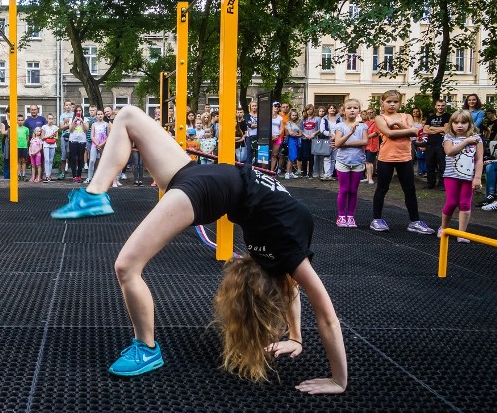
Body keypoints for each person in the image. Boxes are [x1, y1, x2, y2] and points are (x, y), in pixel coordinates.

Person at [50, 106, 347, 394]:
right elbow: (319, 310)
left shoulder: (286, 250)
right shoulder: (286, 252)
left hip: (212, 186)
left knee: (127, 266)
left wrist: (309, 350)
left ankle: (147, 348)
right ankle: (95, 194)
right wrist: (317, 358)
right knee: (127, 117)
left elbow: (300, 294)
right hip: (202, 179)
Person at [370, 90, 434, 234]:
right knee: (382, 188)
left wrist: (398, 123)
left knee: (410, 189)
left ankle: (415, 221)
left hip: (404, 157)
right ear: (383, 103)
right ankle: (376, 219)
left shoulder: (406, 116)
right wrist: (408, 130)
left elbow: (415, 133)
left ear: (400, 103)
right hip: (386, 158)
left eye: (395, 102)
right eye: (389, 102)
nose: (392, 104)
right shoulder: (380, 118)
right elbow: (389, 134)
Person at [438, 110, 484, 241]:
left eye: (463, 122)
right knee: (452, 202)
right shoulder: (449, 137)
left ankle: (461, 233)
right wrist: (465, 141)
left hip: (468, 177)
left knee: (465, 204)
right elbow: (449, 151)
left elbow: (479, 159)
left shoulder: (477, 139)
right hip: (451, 176)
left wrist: (477, 177)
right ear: (451, 124)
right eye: (456, 122)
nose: (459, 125)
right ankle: (444, 228)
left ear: (470, 124)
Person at [333, 99, 368, 227]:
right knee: (344, 189)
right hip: (343, 162)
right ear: (344, 111)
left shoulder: (363, 126)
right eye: (349, 108)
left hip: (358, 161)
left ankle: (351, 216)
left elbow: (364, 142)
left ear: (359, 110)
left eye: (355, 108)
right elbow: (337, 143)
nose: (352, 110)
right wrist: (350, 132)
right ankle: (341, 216)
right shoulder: (340, 126)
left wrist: (345, 144)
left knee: (353, 190)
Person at [423, 99, 450, 189]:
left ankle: (442, 184)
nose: (440, 107)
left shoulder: (447, 116)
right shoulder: (430, 117)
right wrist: (439, 129)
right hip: (430, 144)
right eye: (438, 105)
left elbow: (446, 129)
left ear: (445, 106)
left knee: (442, 165)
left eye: (442, 105)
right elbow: (425, 130)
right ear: (435, 106)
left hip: (441, 144)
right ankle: (430, 183)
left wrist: (432, 128)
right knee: (429, 164)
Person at [67, 106, 89, 183]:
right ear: (75, 112)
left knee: (80, 158)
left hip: (82, 140)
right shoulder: (71, 119)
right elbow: (70, 130)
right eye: (77, 111)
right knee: (73, 158)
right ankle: (74, 175)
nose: (79, 112)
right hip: (73, 140)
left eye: (80, 110)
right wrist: (74, 121)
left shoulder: (85, 119)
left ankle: (79, 175)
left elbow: (86, 129)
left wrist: (82, 121)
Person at [299, 104, 318, 178]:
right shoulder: (303, 119)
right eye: (307, 109)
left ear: (313, 110)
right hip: (304, 139)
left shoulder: (317, 119)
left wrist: (314, 134)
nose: (309, 111)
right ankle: (304, 173)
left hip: (313, 140)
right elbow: (300, 129)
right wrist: (305, 135)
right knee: (304, 156)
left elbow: (319, 128)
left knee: (312, 157)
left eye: (310, 109)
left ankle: (310, 173)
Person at [58, 100, 75, 180]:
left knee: (72, 155)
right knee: (64, 155)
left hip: (73, 136)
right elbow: (61, 127)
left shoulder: (74, 115)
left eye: (69, 105)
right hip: (64, 136)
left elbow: (76, 126)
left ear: (71, 106)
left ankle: (74, 173)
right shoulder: (62, 115)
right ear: (64, 106)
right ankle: (62, 173)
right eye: (66, 105)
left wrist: (67, 124)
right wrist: (69, 125)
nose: (68, 106)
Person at [284, 110, 302, 179]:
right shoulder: (289, 123)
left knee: (294, 156)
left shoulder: (298, 123)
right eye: (293, 115)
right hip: (291, 140)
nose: (294, 116)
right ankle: (287, 172)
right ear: (290, 116)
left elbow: (300, 133)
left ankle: (291, 172)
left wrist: (296, 134)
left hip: (297, 141)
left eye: (295, 115)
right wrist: (296, 134)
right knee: (291, 156)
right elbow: (290, 133)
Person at [41, 114, 59, 182]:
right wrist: (49, 136)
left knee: (51, 160)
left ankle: (50, 175)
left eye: (52, 118)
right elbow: (42, 137)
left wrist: (53, 137)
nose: (51, 120)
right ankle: (47, 175)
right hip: (46, 144)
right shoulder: (44, 127)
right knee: (47, 160)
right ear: (47, 119)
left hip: (53, 144)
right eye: (49, 118)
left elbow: (57, 137)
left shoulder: (55, 127)